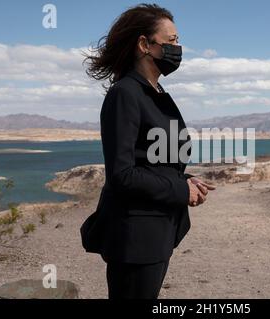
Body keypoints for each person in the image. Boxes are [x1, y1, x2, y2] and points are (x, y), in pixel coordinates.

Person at [80, 3, 216, 299]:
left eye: (178, 41)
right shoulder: (125, 94)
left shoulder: (158, 95)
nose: (178, 48)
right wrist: (181, 191)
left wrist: (187, 179)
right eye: (171, 41)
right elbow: (123, 175)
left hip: (159, 233)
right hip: (135, 240)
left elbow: (156, 161)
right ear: (144, 44)